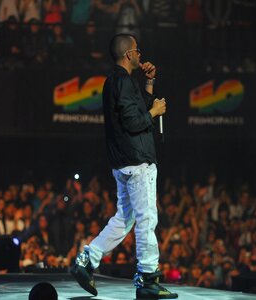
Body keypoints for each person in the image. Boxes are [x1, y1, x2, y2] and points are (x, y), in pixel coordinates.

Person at [71, 33, 178, 299]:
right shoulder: (123, 82)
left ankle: (87, 260)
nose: (141, 55)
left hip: (123, 162)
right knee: (146, 219)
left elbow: (133, 110)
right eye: (138, 51)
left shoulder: (117, 82)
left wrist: (150, 83)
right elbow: (134, 122)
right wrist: (155, 112)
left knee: (125, 218)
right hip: (137, 161)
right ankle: (147, 279)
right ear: (129, 54)